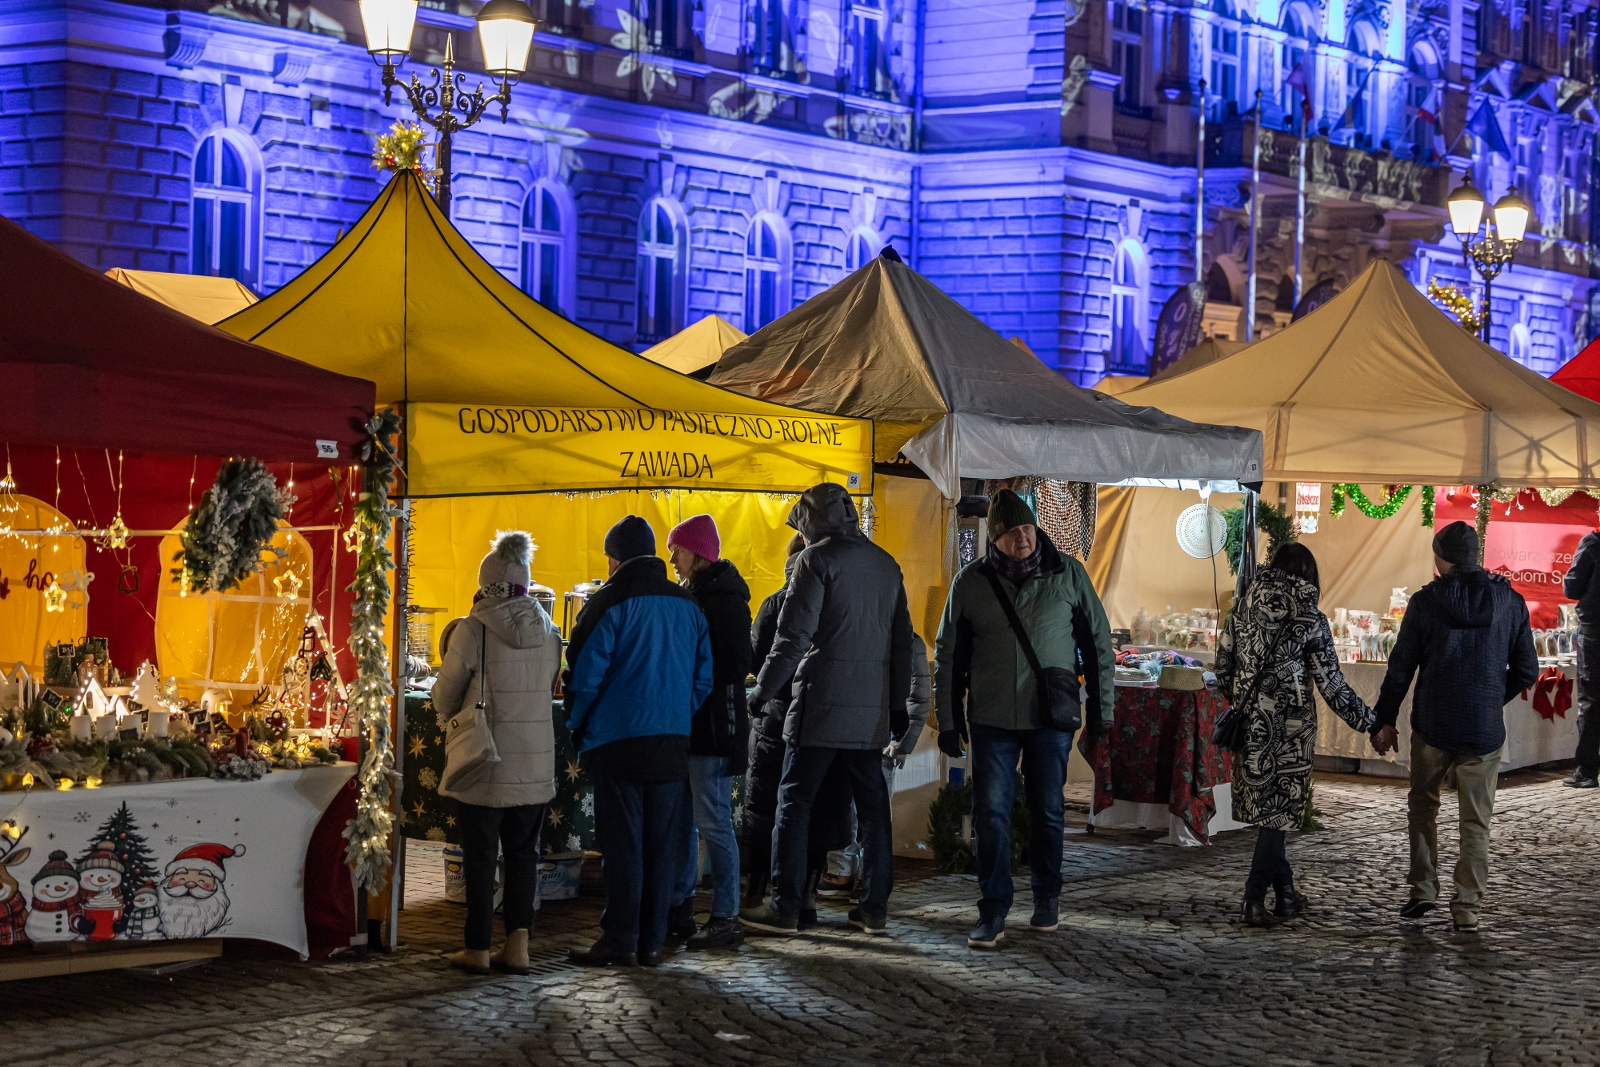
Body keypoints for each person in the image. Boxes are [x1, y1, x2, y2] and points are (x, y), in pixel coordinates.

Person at [933, 489, 1113, 949]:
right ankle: (993, 909)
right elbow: (948, 655)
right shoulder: (970, 582)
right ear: (995, 537)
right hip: (992, 719)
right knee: (991, 814)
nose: (1024, 538)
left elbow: (1098, 644)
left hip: (1048, 718)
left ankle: (1047, 898)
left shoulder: (1068, 574)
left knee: (1048, 810)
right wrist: (948, 720)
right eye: (1012, 532)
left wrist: (1103, 709)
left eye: (1028, 528)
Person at [739, 483, 914, 937]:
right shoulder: (886, 564)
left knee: (794, 803)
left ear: (813, 521)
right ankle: (874, 908)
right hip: (870, 715)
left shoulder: (814, 561)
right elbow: (901, 644)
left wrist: (761, 693)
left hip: (818, 710)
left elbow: (792, 639)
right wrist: (898, 705)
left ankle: (785, 906)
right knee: (873, 811)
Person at [1371, 520, 1538, 933]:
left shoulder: (1425, 602)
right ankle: (1467, 908)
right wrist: (1490, 699)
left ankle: (1423, 889)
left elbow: (1400, 669)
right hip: (1483, 730)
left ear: (1440, 559)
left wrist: (1384, 719)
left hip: (1433, 724)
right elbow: (1527, 670)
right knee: (1475, 822)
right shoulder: (1510, 601)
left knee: (1422, 807)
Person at [565, 516, 712, 966]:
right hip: (671, 743)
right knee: (663, 847)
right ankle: (652, 941)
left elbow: (584, 675)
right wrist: (675, 715)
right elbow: (703, 678)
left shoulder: (608, 602)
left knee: (624, 846)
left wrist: (577, 724)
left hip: (619, 742)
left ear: (614, 559)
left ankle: (621, 939)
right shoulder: (688, 604)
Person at [1214, 542, 1374, 928]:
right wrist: (1371, 723)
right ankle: (1253, 898)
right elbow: (1331, 685)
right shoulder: (1310, 618)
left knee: (1273, 814)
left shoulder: (1242, 609)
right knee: (1277, 815)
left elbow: (1222, 667)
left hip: (1250, 729)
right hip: (1291, 734)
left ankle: (1285, 893)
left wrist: (1248, 701)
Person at [432, 531, 562, 975]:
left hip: (485, 763)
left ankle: (478, 948)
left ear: (484, 584)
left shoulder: (472, 629)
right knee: (524, 855)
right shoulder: (550, 632)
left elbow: (443, 699)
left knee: (481, 857)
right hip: (535, 765)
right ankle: (519, 946)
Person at [664, 514, 753, 951]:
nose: (672, 560)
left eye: (678, 551)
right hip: (693, 725)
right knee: (686, 821)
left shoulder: (725, 601)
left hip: (715, 726)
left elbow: (735, 665)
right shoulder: (698, 596)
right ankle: (680, 909)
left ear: (698, 554)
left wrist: (694, 677)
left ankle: (725, 916)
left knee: (713, 821)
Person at [819, 634, 933, 899]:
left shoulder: (908, 642)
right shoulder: (893, 639)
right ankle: (846, 872)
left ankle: (864, 878)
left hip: (881, 739)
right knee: (846, 806)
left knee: (872, 813)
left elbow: (919, 696)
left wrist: (902, 742)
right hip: (857, 733)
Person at [743, 533, 807, 910]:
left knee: (764, 803)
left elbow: (756, 659)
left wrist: (761, 693)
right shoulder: (829, 602)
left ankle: (755, 891)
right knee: (802, 806)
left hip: (774, 715)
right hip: (814, 718)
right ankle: (801, 896)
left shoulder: (774, 604)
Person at [1562, 529, 1600, 788]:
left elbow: (1572, 587)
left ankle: (1586, 771)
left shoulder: (1593, 543)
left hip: (1595, 631)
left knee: (1591, 700)